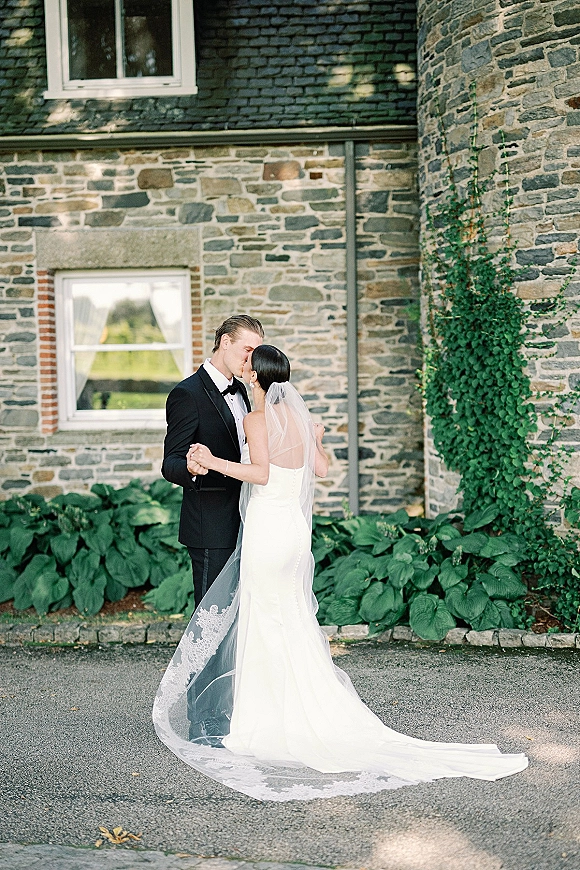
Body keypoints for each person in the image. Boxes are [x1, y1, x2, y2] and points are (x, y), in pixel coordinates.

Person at [153, 346, 528, 802]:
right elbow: (324, 468)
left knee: (263, 617)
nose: (244, 366)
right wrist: (319, 439)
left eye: (250, 363)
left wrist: (211, 461)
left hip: (268, 533)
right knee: (289, 617)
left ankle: (264, 721)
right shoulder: (300, 420)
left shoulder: (256, 420)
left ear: (255, 376)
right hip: (293, 534)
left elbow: (260, 474)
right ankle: (300, 708)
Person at [161, 314, 264, 606]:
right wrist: (191, 468)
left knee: (239, 613)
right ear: (225, 342)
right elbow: (170, 463)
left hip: (248, 517)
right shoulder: (186, 393)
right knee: (211, 614)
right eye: (247, 350)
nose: (252, 359)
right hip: (211, 524)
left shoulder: (242, 390)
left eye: (256, 353)